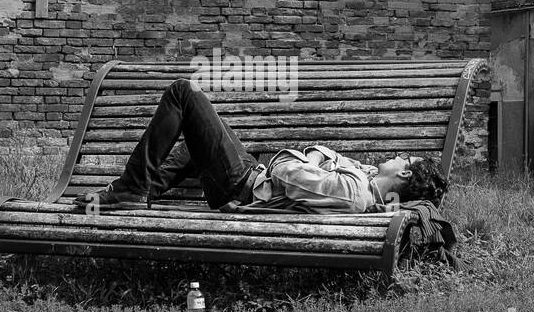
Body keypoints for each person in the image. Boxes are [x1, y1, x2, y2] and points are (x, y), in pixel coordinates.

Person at [74, 78, 449, 214]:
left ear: (404, 172)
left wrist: (315, 158)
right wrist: (319, 157)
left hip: (245, 188)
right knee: (194, 142)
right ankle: (141, 193)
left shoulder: (353, 192)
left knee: (185, 92)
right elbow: (323, 152)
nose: (395, 155)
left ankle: (132, 188)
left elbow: (286, 170)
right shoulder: (364, 179)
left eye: (403, 157)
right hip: (252, 178)